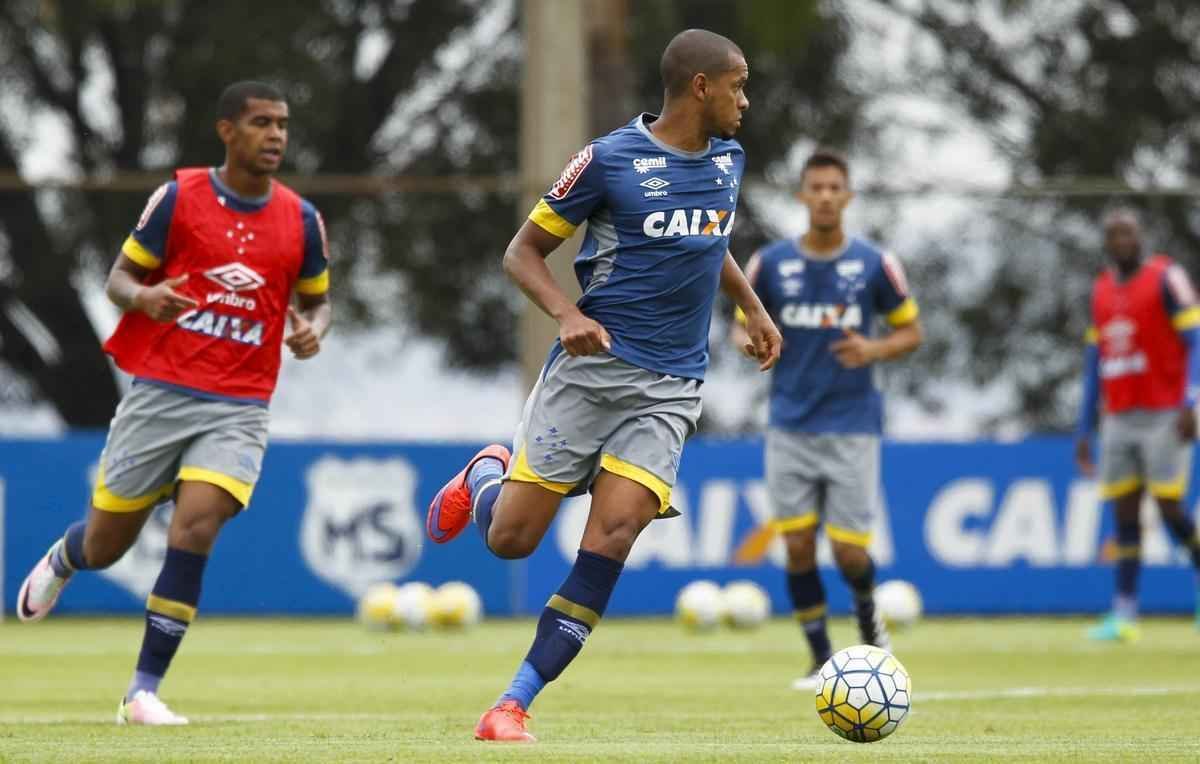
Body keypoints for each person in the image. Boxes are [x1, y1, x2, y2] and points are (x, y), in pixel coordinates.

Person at [425, 29, 780, 742]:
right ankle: (489, 472)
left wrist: (751, 304)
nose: (746, 99)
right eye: (737, 84)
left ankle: (511, 704)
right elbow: (522, 253)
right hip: (590, 375)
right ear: (701, 87)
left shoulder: (728, 162)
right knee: (512, 541)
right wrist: (565, 313)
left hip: (671, 384)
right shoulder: (609, 161)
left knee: (615, 532)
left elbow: (708, 241)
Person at [15, 81, 332, 724]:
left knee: (196, 527)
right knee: (108, 545)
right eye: (261, 122)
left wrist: (310, 331)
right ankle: (66, 555)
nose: (275, 135)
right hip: (159, 395)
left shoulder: (301, 218)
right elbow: (117, 279)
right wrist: (145, 299)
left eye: (283, 124)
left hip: (240, 404)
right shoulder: (179, 198)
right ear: (226, 130)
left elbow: (318, 300)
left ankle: (142, 692)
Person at [731, 149, 922, 690]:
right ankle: (819, 658)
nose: (824, 196)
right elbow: (738, 326)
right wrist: (749, 343)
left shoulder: (874, 264)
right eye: (815, 187)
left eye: (835, 187)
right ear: (801, 195)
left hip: (852, 424)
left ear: (848, 196)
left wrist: (874, 349)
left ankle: (870, 628)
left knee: (848, 551)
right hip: (789, 424)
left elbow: (912, 331)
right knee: (795, 546)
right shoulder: (769, 263)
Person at [1075, 208, 1200, 642]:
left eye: (1128, 232)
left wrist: (1192, 400)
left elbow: (1195, 339)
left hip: (1166, 411)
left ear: (1140, 236)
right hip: (1119, 415)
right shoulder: (1101, 290)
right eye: (1113, 234)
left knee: (1168, 508)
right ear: (1107, 242)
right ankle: (1124, 614)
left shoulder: (1167, 277)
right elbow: (1095, 361)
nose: (1121, 240)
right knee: (1124, 511)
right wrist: (1083, 427)